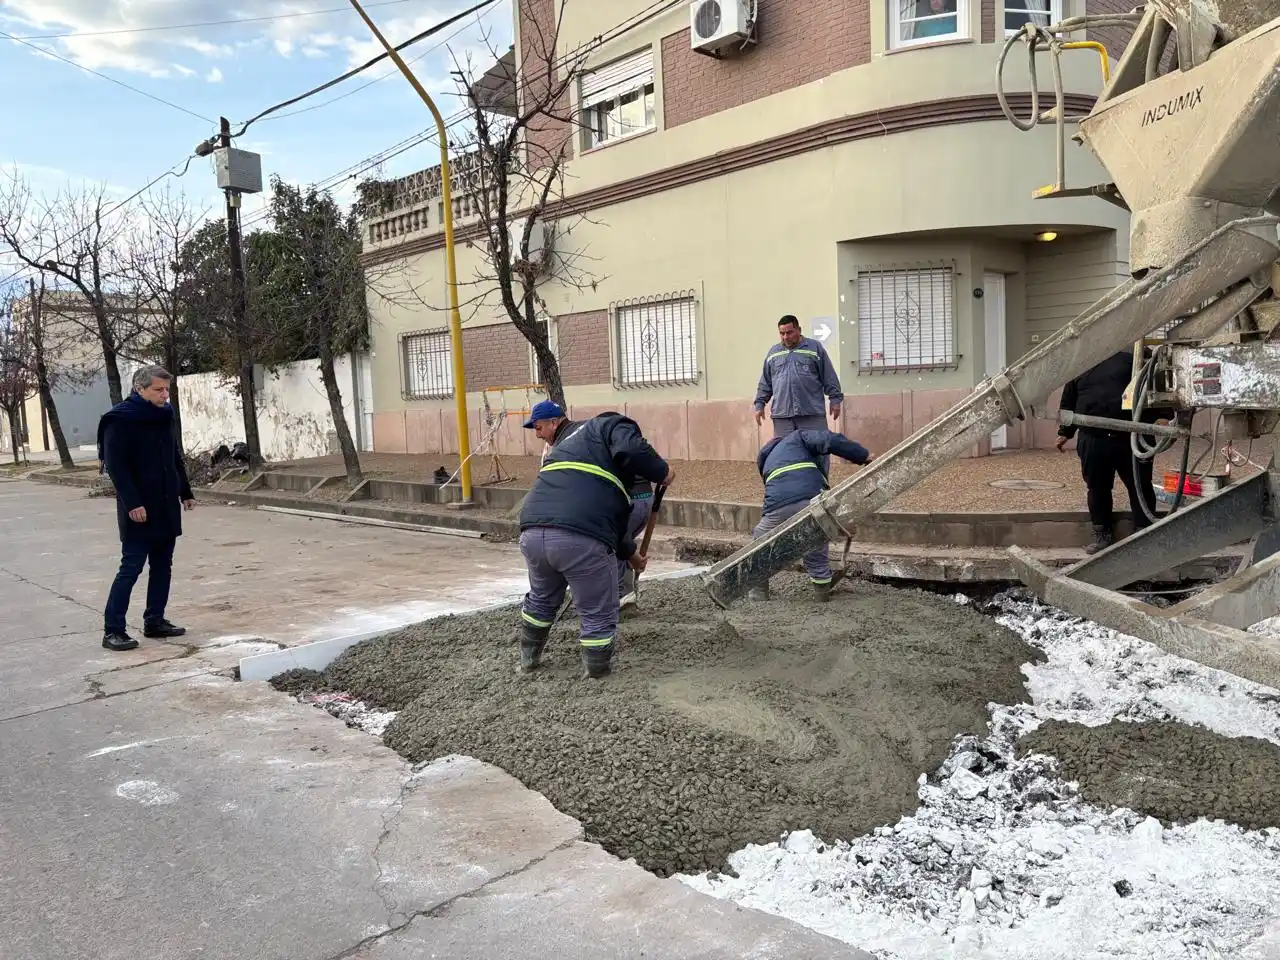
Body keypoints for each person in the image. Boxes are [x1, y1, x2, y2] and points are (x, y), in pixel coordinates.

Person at [518, 400, 674, 678]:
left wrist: (633, 556)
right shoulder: (612, 424)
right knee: (597, 609)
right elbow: (632, 450)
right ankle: (596, 671)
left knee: (541, 599)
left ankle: (528, 660)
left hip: (532, 531)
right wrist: (663, 472)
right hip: (579, 537)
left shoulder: (566, 450)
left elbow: (613, 527)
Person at [100, 366, 195, 652]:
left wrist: (185, 490)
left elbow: (173, 454)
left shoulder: (165, 414)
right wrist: (133, 503)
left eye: (166, 389)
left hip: (165, 503)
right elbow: (117, 466)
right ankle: (113, 630)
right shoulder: (119, 419)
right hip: (139, 508)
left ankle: (154, 620)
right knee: (131, 568)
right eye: (158, 389)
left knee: (163, 566)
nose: (165, 395)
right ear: (140, 389)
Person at [1057, 349, 1169, 554]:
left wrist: (1162, 415)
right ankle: (1102, 533)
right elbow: (1069, 399)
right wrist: (1065, 432)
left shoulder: (1135, 355)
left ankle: (1144, 533)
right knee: (1097, 488)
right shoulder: (1081, 363)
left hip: (1132, 436)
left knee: (1140, 485)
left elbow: (1153, 386)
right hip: (1093, 438)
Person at [747, 428, 874, 602]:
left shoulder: (766, 460)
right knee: (814, 540)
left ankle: (758, 591)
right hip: (810, 498)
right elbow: (829, 439)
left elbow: (775, 493)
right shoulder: (798, 437)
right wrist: (862, 455)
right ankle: (821, 592)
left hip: (777, 508)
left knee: (760, 542)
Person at [754, 315, 843, 438]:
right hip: (783, 418)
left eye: (789, 333)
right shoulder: (773, 353)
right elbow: (766, 383)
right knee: (785, 454)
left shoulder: (814, 348)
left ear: (799, 330)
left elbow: (829, 375)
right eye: (782, 333)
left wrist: (835, 400)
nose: (786, 337)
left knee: (816, 453)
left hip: (811, 415)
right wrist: (760, 404)